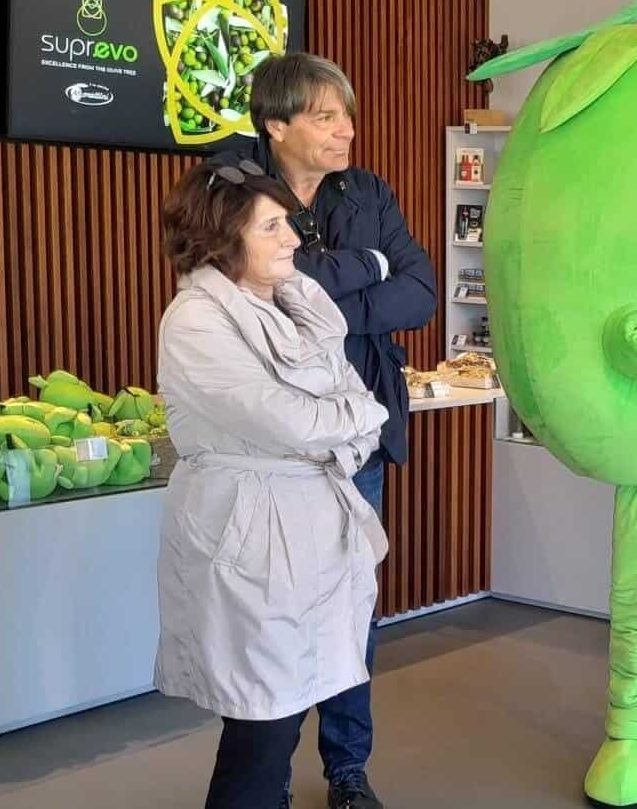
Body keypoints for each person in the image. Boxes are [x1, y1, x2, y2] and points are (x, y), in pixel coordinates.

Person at [212, 51, 437, 809]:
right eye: (326, 116)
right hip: (272, 445)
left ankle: (347, 771)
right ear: (276, 124)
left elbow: (421, 291)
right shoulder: (232, 188)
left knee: (350, 610)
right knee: (270, 614)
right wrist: (365, 268)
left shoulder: (366, 191)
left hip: (356, 436)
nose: (347, 129)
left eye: (346, 113)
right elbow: (263, 289)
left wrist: (337, 298)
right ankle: (262, 783)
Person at [154, 159, 390, 809]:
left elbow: (346, 401)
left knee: (283, 710)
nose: (294, 237)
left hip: (310, 528)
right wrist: (353, 418)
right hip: (253, 535)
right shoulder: (196, 322)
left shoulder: (297, 305)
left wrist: (349, 418)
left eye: (288, 221)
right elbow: (289, 417)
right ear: (221, 237)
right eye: (272, 226)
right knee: (262, 721)